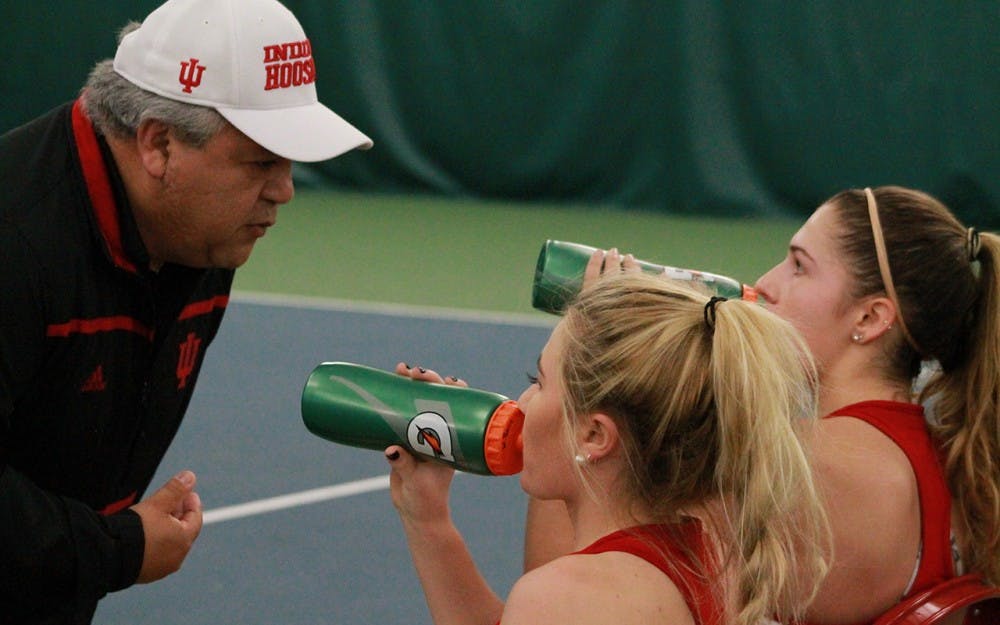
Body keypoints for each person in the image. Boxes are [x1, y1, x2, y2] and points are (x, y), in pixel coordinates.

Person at [0, 0, 371, 622]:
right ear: (159, 143)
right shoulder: (16, 240)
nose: (284, 190)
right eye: (261, 162)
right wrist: (116, 550)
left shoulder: (202, 237)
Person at [524, 186, 1000, 624]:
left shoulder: (792, 463)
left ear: (871, 317)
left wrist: (585, 376)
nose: (766, 283)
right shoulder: (957, 463)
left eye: (799, 265)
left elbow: (565, 597)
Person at [386, 273, 829, 625]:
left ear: (595, 436)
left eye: (537, 382)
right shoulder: (701, 550)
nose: (521, 404)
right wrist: (426, 516)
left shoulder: (572, 596)